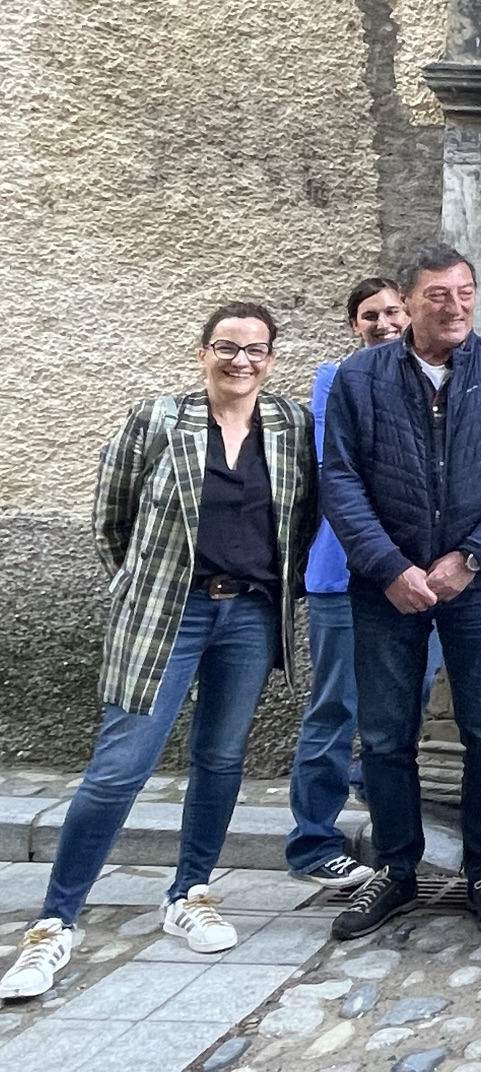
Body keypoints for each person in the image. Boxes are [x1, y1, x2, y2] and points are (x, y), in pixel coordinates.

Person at [1, 304, 316, 1002]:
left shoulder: (293, 427)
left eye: (256, 349)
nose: (242, 361)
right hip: (168, 614)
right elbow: (109, 518)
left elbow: (306, 515)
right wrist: (139, 591)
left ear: (271, 356)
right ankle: (55, 924)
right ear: (203, 351)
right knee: (120, 768)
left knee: (221, 759)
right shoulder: (155, 421)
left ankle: (191, 892)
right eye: (227, 347)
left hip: (250, 616)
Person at [321, 244, 481, 942]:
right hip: (384, 585)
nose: (454, 307)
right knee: (388, 734)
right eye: (437, 296)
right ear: (410, 301)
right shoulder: (360, 378)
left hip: (479, 583)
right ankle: (397, 868)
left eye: (465, 293)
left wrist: (469, 557)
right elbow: (339, 480)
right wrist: (390, 566)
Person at [284, 275, 406, 889]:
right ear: (353, 325)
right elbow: (344, 468)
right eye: (369, 315)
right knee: (336, 706)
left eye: (391, 312)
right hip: (345, 571)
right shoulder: (337, 378)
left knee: (402, 703)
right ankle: (312, 841)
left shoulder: (437, 377)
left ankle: (375, 801)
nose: (383, 323)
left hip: (416, 577)